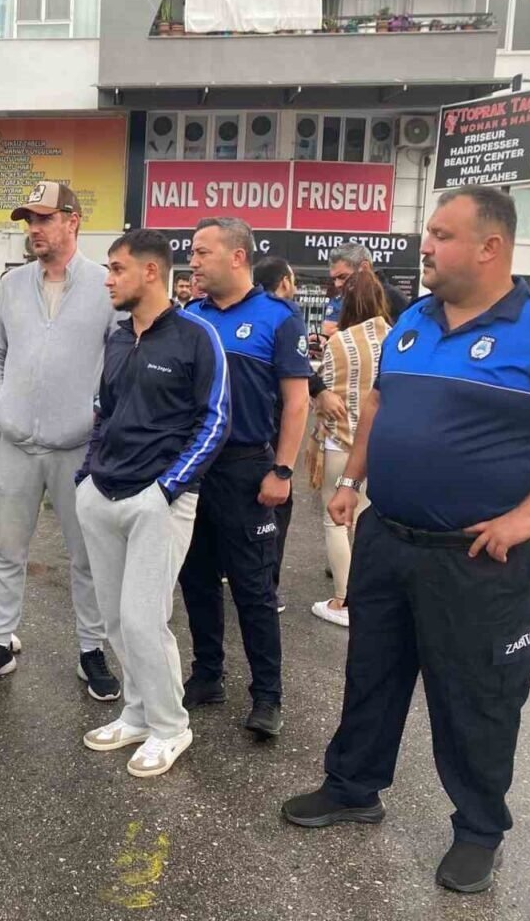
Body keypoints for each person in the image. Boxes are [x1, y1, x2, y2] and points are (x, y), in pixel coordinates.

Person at [282, 186, 530, 894]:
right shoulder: (413, 319)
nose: (427, 246)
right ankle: (353, 787)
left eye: (442, 235)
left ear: (490, 247)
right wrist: (353, 479)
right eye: (429, 234)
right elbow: (380, 401)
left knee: (478, 697)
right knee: (372, 674)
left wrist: (526, 517)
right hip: (389, 539)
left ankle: (478, 830)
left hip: (479, 562)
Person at [75, 229, 230, 778]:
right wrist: (86, 476)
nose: (108, 280)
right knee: (117, 620)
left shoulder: (197, 335)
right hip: (103, 493)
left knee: (144, 620)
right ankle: (138, 713)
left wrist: (167, 489)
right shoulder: (119, 338)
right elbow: (104, 411)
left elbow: (215, 419)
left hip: (158, 500)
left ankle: (170, 726)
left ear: (150, 272)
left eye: (117, 269)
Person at [0, 180, 118, 697]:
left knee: (87, 555)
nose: (34, 229)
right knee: (7, 550)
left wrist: (97, 414)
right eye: (30, 220)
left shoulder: (104, 285)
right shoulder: (12, 285)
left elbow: (120, 358)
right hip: (14, 442)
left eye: (45, 218)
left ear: (73, 220)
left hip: (79, 447)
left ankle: (92, 649)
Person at [178, 218, 311, 739]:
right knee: (196, 579)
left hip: (247, 469)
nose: (193, 261)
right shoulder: (192, 316)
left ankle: (267, 696)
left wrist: (282, 470)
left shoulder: (277, 318)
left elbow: (297, 402)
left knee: (253, 589)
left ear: (237, 257)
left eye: (202, 252)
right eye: (192, 252)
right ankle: (207, 675)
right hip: (196, 469)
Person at [306, 265, 392, 629]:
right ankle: (371, 596)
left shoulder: (339, 342)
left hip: (340, 442)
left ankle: (343, 599)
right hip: (381, 445)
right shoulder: (396, 337)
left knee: (336, 520)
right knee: (368, 523)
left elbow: (321, 390)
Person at [252, 255, 299, 604]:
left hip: (249, 433)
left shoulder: (253, 314)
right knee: (274, 511)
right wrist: (284, 469)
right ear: (284, 281)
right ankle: (267, 584)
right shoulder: (285, 318)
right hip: (272, 431)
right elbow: (296, 390)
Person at [321, 243, 408, 339]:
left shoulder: (394, 298)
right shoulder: (341, 298)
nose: (337, 284)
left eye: (343, 277)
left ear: (365, 267)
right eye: (334, 279)